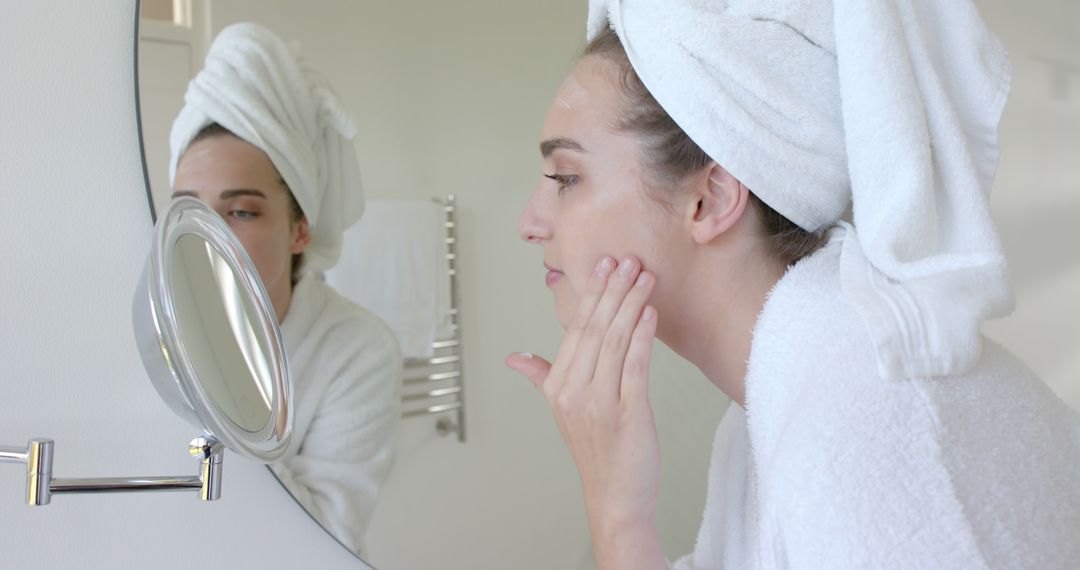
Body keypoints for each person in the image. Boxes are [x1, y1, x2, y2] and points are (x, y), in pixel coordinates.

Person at [507, 1, 1080, 568]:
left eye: (566, 178)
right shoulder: (780, 403)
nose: (529, 224)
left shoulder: (864, 424)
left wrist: (616, 517)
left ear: (710, 200)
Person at [168, 23, 401, 557]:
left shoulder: (355, 350)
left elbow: (322, 539)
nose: (210, 235)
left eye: (242, 211)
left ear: (300, 229)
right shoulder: (154, 331)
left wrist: (222, 376)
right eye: (190, 209)